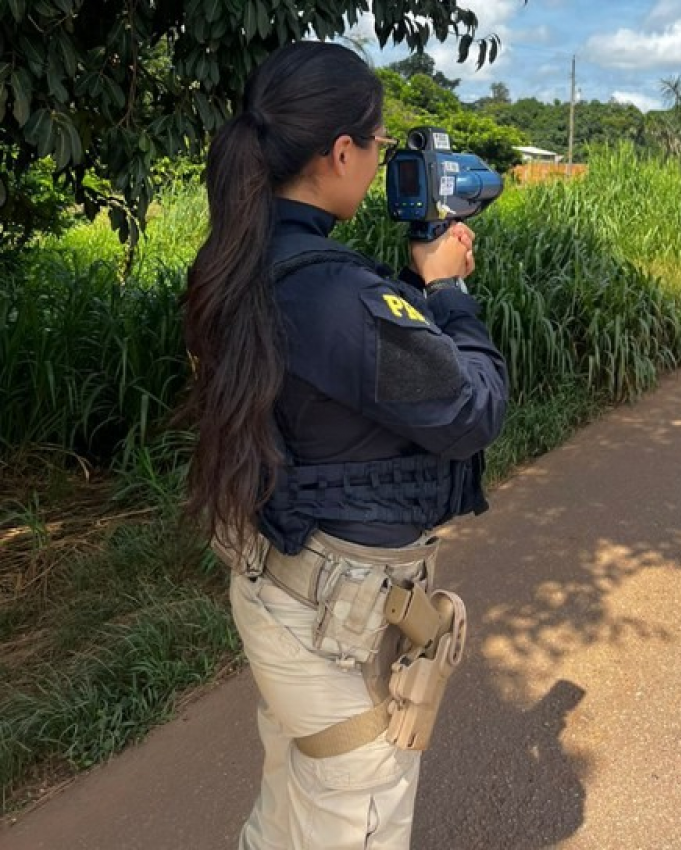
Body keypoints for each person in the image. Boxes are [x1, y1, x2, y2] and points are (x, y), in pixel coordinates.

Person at [182, 41, 508, 850]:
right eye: (377, 145)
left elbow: (340, 375)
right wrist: (446, 292)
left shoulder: (241, 259)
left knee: (291, 803)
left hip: (279, 584)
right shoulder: (333, 293)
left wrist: (402, 293)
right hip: (336, 624)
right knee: (351, 812)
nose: (380, 162)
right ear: (338, 152)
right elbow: (472, 409)